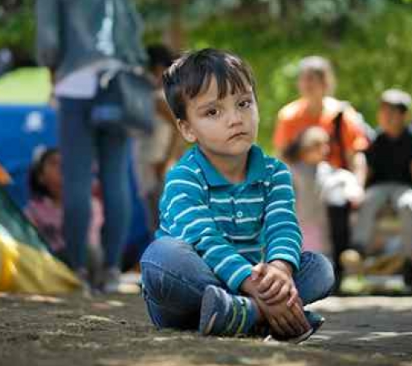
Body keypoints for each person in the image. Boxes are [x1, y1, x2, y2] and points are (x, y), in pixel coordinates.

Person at [140, 49, 334, 343]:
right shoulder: (184, 176)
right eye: (213, 112)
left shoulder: (275, 172)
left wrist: (280, 269)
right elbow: (203, 238)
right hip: (188, 295)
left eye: (244, 103)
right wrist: (250, 282)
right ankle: (268, 313)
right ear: (188, 128)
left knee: (320, 268)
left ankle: (247, 313)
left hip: (255, 285)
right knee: (161, 257)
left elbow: (283, 226)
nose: (235, 119)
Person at [32, 0, 148, 292]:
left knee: (77, 180)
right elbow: (133, 24)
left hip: (75, 87)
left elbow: (49, 42)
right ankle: (113, 271)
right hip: (116, 83)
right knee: (116, 178)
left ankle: (78, 269)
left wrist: (51, 67)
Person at [352, 89, 412, 260]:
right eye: (383, 112)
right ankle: (358, 248)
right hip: (379, 186)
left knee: (408, 204)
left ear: (403, 115)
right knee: (368, 201)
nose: (385, 117)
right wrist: (359, 190)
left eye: (391, 112)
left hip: (404, 187)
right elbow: (368, 168)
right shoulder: (377, 137)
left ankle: (409, 256)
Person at [284, 127, 363, 286]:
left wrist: (353, 189)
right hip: (299, 224)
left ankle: (325, 283)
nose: (326, 150)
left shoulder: (325, 170)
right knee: (299, 257)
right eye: (320, 146)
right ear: (307, 149)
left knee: (321, 257)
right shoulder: (292, 171)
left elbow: (344, 177)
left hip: (320, 224)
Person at [25, 147, 105, 284]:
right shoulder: (33, 210)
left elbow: (90, 239)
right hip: (50, 262)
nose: (61, 169)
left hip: (85, 259)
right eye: (54, 164)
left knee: (91, 253)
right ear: (40, 177)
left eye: (67, 164)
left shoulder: (90, 205)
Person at [133, 44, 184, 233]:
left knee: (162, 223)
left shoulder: (158, 99)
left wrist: (166, 161)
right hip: (152, 166)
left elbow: (180, 130)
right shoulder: (156, 97)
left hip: (158, 166)